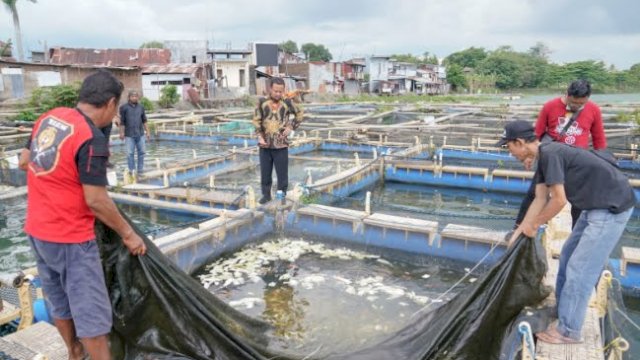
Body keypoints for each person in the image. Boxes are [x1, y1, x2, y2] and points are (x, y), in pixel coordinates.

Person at [18, 70, 147, 360]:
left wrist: (56, 180)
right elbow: (96, 200)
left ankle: (73, 353)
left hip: (37, 230)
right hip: (71, 238)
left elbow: (25, 162)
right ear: (112, 103)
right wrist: (129, 234)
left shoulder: (49, 118)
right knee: (91, 314)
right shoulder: (91, 138)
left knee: (58, 299)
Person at [500, 120, 635, 344]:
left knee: (580, 269)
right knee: (568, 256)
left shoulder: (550, 154)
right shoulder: (544, 156)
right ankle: (564, 309)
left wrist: (535, 225)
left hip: (610, 208)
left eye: (509, 147)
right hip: (594, 206)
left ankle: (569, 330)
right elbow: (540, 199)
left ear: (520, 142)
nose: (510, 152)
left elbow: (559, 201)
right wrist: (522, 229)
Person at [515, 79, 607, 228]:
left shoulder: (594, 110)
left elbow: (599, 139)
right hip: (550, 159)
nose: (576, 106)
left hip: (577, 164)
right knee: (535, 193)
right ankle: (518, 227)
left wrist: (603, 163)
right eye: (573, 102)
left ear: (588, 98)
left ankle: (576, 236)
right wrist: (529, 155)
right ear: (567, 94)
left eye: (580, 104)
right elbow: (537, 133)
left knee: (579, 202)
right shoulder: (550, 106)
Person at [251, 77, 304, 204]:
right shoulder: (262, 102)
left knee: (282, 174)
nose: (278, 94)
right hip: (265, 144)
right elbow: (256, 119)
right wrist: (259, 135)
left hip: (281, 144)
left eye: (280, 91)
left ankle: (282, 197)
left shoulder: (287, 102)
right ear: (270, 89)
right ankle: (266, 195)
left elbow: (300, 113)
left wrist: (291, 127)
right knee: (265, 172)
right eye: (275, 91)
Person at [119, 90, 149, 175]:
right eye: (132, 96)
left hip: (140, 134)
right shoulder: (124, 108)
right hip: (129, 135)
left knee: (142, 152)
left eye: (136, 96)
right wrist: (121, 133)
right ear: (129, 97)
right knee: (130, 153)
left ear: (138, 97)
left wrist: (148, 132)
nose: (134, 98)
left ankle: (140, 170)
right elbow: (122, 122)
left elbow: (144, 120)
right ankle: (132, 170)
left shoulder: (141, 107)